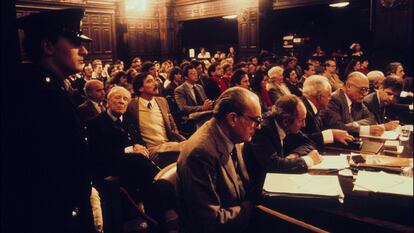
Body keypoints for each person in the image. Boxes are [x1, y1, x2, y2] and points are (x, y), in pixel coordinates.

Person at [8, 8, 95, 232]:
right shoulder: (39, 96)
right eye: (75, 43)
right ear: (48, 47)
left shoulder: (52, 90)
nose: (84, 50)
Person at [176, 87, 261, 233]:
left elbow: (243, 188)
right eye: (256, 120)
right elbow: (210, 222)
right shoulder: (200, 153)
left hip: (240, 219)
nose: (258, 127)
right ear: (233, 118)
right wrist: (254, 206)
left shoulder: (232, 135)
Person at [244, 95, 322, 186]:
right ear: (286, 121)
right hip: (263, 187)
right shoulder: (262, 130)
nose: (304, 125)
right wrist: (308, 160)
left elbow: (308, 142)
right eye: (301, 120)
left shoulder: (288, 125)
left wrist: (294, 155)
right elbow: (273, 165)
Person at [127, 72, 186, 167]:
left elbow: (172, 124)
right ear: (140, 88)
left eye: (154, 80)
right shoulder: (131, 106)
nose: (156, 84)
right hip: (152, 150)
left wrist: (177, 137)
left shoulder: (162, 101)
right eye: (150, 81)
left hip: (169, 144)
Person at [321, 72, 383, 136]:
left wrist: (353, 124)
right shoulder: (333, 99)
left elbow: (371, 119)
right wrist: (366, 129)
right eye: (362, 89)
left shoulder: (357, 100)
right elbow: (339, 128)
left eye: (367, 90)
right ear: (349, 86)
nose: (365, 94)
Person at [301, 75, 354, 148]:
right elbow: (300, 140)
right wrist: (331, 134)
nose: (330, 98)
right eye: (329, 95)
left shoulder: (317, 108)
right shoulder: (301, 110)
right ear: (319, 97)